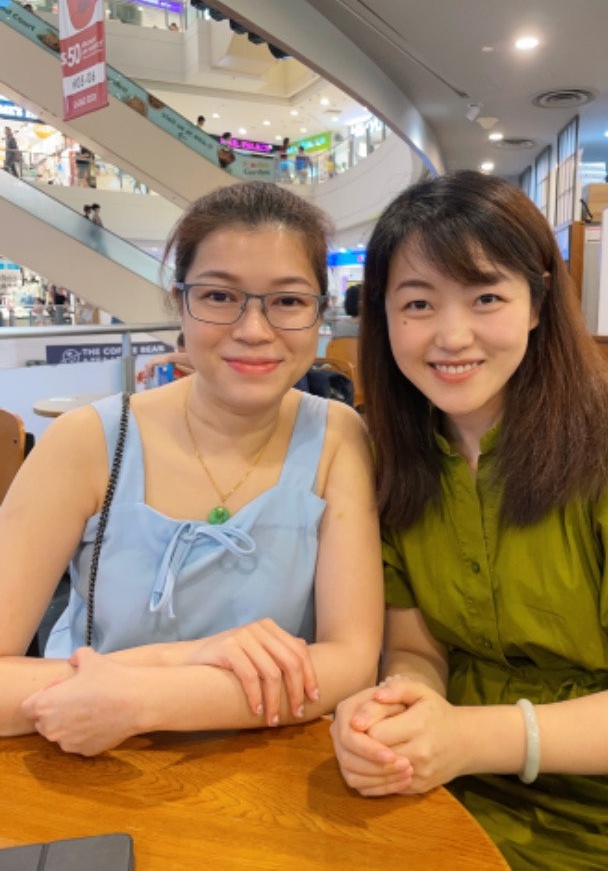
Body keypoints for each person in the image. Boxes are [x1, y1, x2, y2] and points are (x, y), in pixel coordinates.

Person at [330, 170, 608, 868]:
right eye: (418, 303)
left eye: (486, 297)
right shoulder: (390, 455)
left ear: (536, 303)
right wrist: (403, 709)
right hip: (454, 793)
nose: (451, 335)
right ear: (383, 316)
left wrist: (469, 737)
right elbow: (416, 649)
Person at [0, 180, 382, 757]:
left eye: (287, 301)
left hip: (262, 771)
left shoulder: (336, 436)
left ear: (319, 313)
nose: (254, 330)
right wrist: (187, 657)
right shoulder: (88, 441)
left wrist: (145, 699)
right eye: (219, 296)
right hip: (84, 759)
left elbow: (350, 663)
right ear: (179, 303)